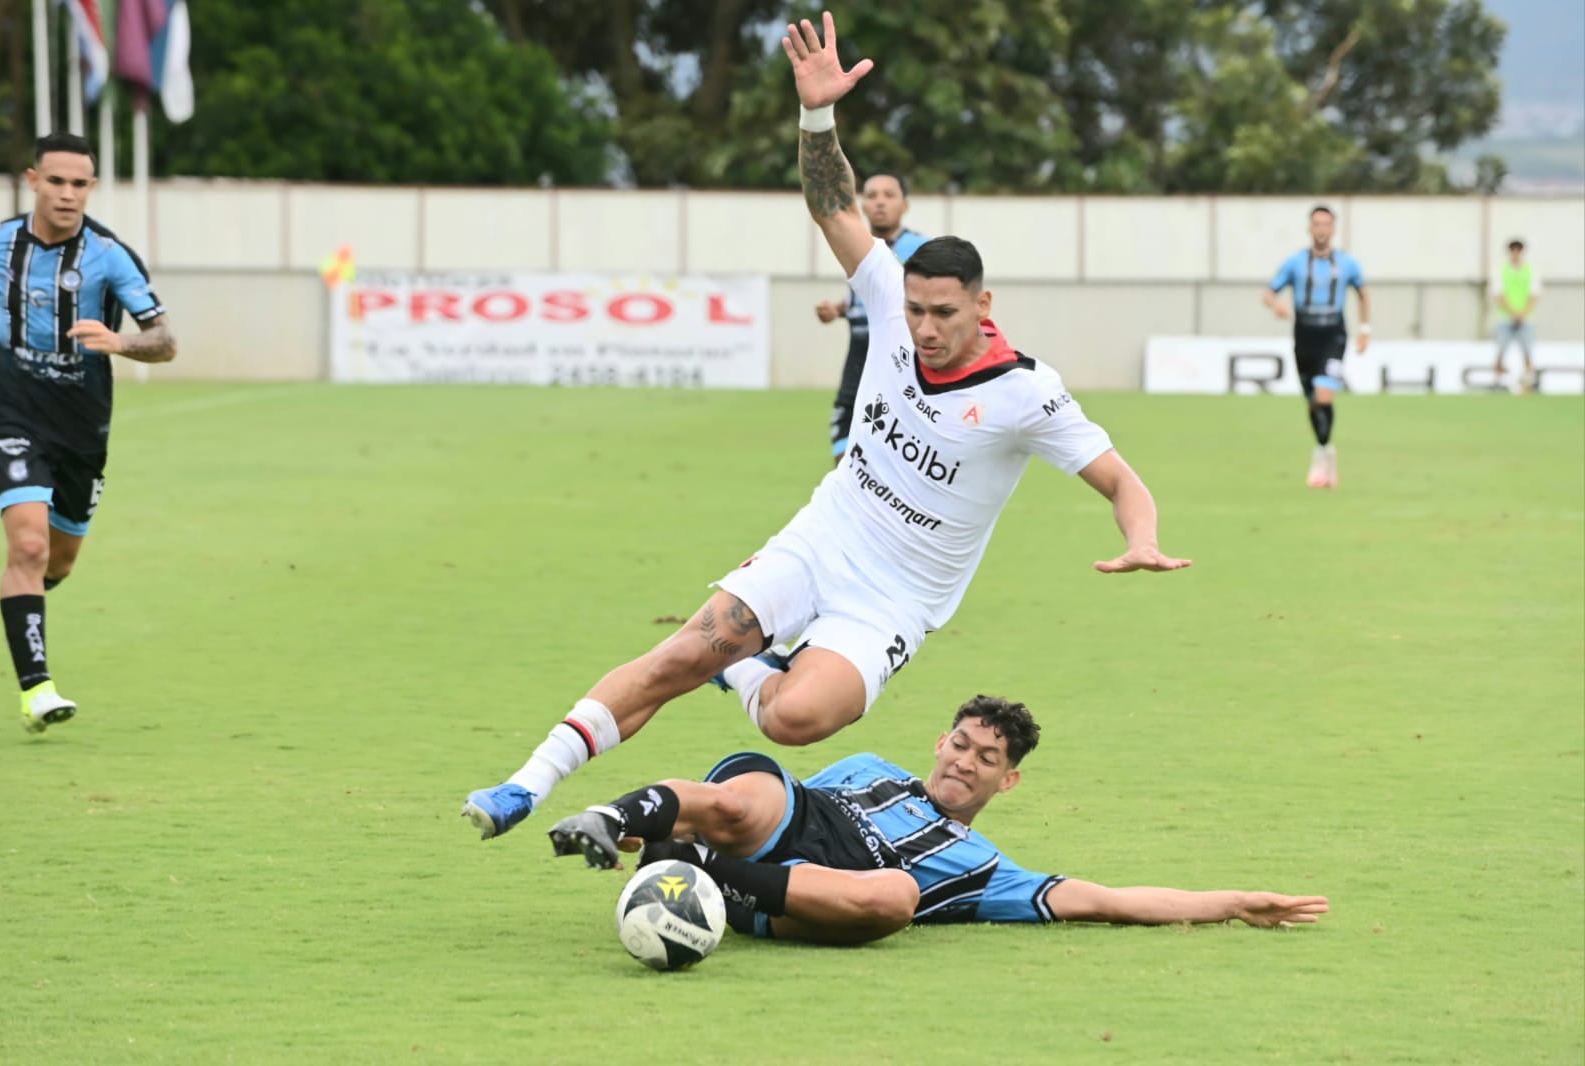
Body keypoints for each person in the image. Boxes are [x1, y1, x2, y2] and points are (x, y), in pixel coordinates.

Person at [461, 12, 1189, 841]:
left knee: (793, 719)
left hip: (895, 602)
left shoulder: (1028, 394)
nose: (923, 327)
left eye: (943, 313)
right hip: (822, 539)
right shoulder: (883, 294)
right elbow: (831, 200)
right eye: (913, 309)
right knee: (677, 657)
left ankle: (749, 675)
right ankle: (526, 782)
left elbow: (1120, 480)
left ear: (982, 306)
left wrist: (1143, 536)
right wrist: (817, 114)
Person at [546, 695, 1330, 944]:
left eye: (985, 758)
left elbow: (1109, 898)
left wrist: (1234, 903)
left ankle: (691, 871)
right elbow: (777, 801)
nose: (963, 761)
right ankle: (610, 818)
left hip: (814, 892)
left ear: (1008, 780)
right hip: (788, 823)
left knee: (898, 899)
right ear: (940, 741)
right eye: (959, 744)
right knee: (751, 790)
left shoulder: (983, 865)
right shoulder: (870, 771)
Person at [0, 132, 176, 732]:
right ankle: (36, 689)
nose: (67, 194)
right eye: (57, 181)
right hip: (9, 409)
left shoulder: (109, 255)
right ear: (33, 179)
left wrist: (120, 341)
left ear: (91, 187)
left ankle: (25, 602)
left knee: (58, 562)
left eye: (80, 184)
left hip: (81, 425)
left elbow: (165, 340)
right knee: (29, 547)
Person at [818, 170, 926, 462]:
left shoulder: (920, 249)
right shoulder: (857, 246)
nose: (880, 202)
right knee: (844, 426)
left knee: (902, 433)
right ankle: (852, 494)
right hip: (859, 349)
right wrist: (839, 309)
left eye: (889, 195)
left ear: (905, 205)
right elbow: (870, 295)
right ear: (862, 205)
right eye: (872, 195)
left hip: (901, 352)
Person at [1263, 205, 1370, 489]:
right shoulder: (1295, 262)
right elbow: (1269, 292)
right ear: (1310, 228)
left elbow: (1363, 293)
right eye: (1317, 224)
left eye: (1326, 224)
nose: (1321, 230)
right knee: (1312, 399)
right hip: (1304, 333)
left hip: (1333, 333)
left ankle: (1322, 454)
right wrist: (1277, 306)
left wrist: (1365, 330)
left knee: (1325, 396)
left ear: (1333, 229)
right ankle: (1324, 450)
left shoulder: (1347, 264)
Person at [1491, 239, 1541, 394]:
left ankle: (1528, 383)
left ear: (1522, 252)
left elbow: (1534, 296)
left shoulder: (1530, 270)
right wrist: (1513, 313)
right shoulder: (1501, 270)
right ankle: (1498, 383)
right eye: (1513, 250)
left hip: (1526, 319)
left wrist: (1522, 314)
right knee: (1501, 351)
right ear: (1509, 252)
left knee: (1528, 352)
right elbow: (1499, 295)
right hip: (1505, 318)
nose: (1516, 253)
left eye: (1518, 250)